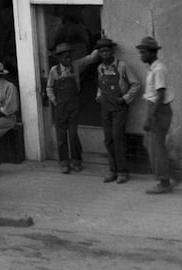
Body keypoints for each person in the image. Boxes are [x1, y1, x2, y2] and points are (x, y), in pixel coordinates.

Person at [87, 37, 141, 183]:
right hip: (105, 107)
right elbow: (100, 84)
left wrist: (125, 98)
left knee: (118, 137)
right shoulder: (100, 68)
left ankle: (123, 171)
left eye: (107, 51)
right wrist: (98, 95)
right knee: (108, 139)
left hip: (119, 107)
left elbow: (136, 84)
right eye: (101, 51)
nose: (104, 54)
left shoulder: (122, 66)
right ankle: (113, 170)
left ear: (112, 51)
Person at [138, 36, 174, 194]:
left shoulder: (158, 69)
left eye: (144, 52)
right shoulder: (153, 68)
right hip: (154, 108)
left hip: (158, 110)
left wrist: (150, 116)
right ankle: (176, 173)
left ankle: (164, 182)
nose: (142, 56)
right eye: (141, 53)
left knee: (156, 147)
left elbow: (160, 95)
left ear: (153, 53)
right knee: (151, 144)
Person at [46, 42, 85, 173]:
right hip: (60, 107)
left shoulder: (76, 66)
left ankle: (76, 160)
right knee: (61, 136)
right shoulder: (54, 70)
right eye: (65, 58)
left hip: (74, 105)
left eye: (69, 57)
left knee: (73, 134)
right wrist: (54, 101)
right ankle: (64, 162)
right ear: (59, 58)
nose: (68, 60)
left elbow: (90, 59)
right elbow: (49, 87)